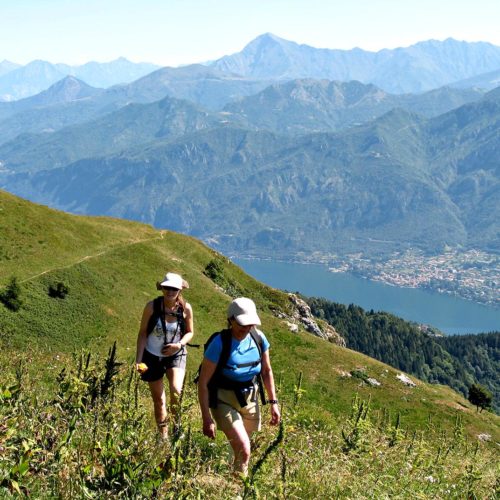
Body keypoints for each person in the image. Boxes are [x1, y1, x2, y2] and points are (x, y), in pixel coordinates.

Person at [198, 297, 280, 476]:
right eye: (243, 323)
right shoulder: (219, 343)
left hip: (251, 399)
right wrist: (206, 418)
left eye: (250, 324)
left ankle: (229, 477)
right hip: (223, 400)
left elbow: (266, 371)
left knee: (242, 447)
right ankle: (237, 489)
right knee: (244, 448)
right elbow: (203, 382)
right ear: (231, 320)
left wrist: (274, 402)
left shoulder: (259, 338)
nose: (246, 328)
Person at [135, 272, 194, 439]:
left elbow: (190, 333)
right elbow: (143, 333)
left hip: (176, 354)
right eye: (167, 288)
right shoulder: (151, 307)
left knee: (176, 390)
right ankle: (164, 437)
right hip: (152, 356)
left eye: (174, 288)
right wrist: (138, 360)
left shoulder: (186, 308)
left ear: (180, 290)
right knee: (159, 400)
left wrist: (179, 345)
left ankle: (176, 427)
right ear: (162, 288)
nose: (170, 291)